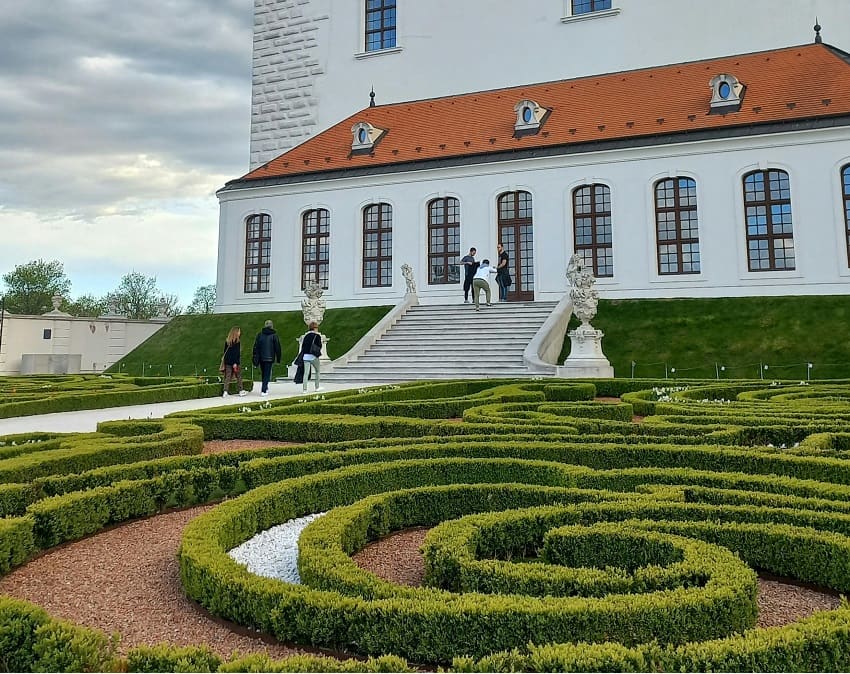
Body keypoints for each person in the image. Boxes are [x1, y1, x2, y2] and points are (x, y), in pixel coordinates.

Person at [252, 319, 282, 396]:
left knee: (264, 373)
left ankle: (265, 387)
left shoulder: (260, 335)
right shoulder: (274, 335)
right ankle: (264, 389)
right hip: (269, 357)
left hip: (261, 357)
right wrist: (278, 358)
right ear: (272, 326)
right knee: (267, 374)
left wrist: (255, 356)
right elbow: (277, 347)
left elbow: (256, 346)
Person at [298, 321, 323, 392]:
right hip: (313, 356)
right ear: (315, 328)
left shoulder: (306, 336)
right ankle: (317, 387)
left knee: (306, 373)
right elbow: (319, 346)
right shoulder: (317, 336)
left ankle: (304, 389)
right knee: (317, 371)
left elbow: (303, 347)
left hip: (306, 356)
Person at [221, 326, 247, 397]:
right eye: (239, 331)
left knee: (227, 377)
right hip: (235, 362)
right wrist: (235, 363)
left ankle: (225, 391)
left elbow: (225, 352)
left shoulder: (227, 341)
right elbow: (236, 353)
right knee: (238, 376)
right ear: (236, 332)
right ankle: (241, 390)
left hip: (227, 361)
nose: (240, 333)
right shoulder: (237, 342)